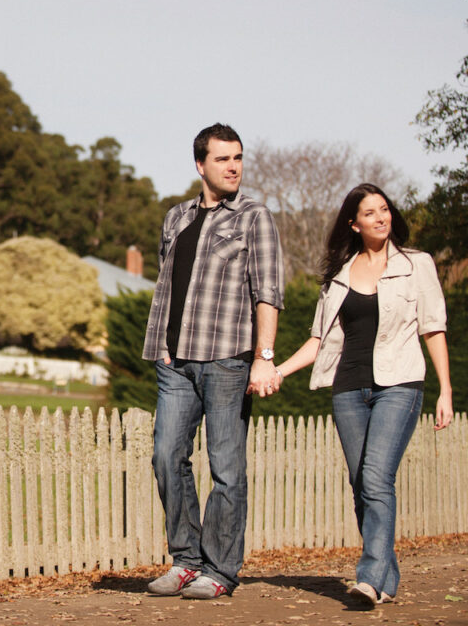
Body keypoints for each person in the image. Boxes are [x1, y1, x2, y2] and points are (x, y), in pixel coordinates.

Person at [261, 182, 453, 607]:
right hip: (348, 389)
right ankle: (385, 579)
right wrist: (279, 370)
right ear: (354, 223)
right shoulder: (339, 277)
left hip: (400, 384)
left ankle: (367, 577)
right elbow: (318, 341)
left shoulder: (416, 265)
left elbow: (433, 327)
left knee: (376, 477)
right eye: (370, 212)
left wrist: (446, 391)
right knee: (360, 483)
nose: (381, 217)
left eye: (384, 209)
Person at [142, 123, 284, 600]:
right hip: (176, 364)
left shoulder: (253, 217)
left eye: (238, 157)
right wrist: (162, 344)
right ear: (200, 164)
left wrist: (264, 357)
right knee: (166, 457)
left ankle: (220, 570)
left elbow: (268, 293)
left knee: (227, 467)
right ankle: (185, 559)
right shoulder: (176, 217)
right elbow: (168, 283)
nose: (233, 166)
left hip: (227, 361)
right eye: (222, 159)